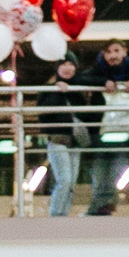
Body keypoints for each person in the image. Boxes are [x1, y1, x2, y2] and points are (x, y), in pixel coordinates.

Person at [75, 40, 129, 215]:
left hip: (125, 130)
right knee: (99, 173)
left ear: (125, 51)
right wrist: (104, 82)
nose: (112, 55)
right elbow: (81, 78)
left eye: (116, 50)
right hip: (101, 130)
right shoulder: (99, 68)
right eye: (108, 52)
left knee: (117, 171)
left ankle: (99, 208)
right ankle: (101, 208)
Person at [38, 52, 87, 217]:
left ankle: (63, 214)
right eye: (63, 64)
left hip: (76, 141)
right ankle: (56, 215)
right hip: (57, 140)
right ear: (57, 67)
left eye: (71, 64)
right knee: (64, 180)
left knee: (71, 183)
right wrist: (58, 91)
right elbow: (43, 114)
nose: (67, 68)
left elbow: (85, 112)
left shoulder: (79, 89)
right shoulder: (48, 89)